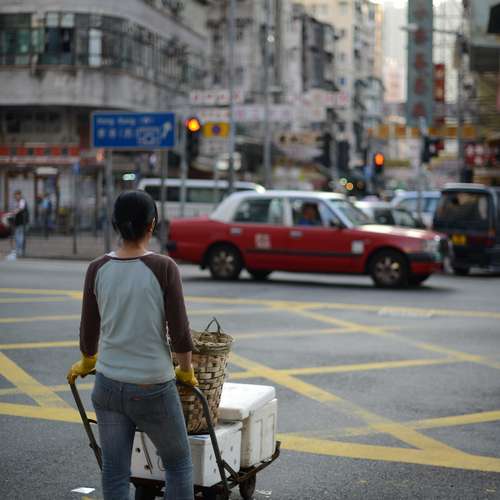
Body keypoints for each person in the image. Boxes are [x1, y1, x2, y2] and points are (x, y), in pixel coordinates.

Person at [67, 190, 197, 500]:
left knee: (114, 471)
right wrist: (186, 369)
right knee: (178, 464)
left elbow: (88, 331)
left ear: (115, 224)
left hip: (108, 386)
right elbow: (180, 332)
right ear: (152, 225)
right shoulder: (164, 267)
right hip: (153, 386)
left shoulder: (97, 268)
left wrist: (88, 360)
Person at [12, 190, 29, 257]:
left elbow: (20, 208)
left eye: (17, 195)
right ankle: (19, 251)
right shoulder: (16, 202)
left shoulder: (22, 201)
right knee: (17, 237)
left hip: (22, 222)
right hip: (18, 222)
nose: (16, 197)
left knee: (20, 237)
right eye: (15, 196)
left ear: (20, 195)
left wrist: (14, 212)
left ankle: (20, 251)